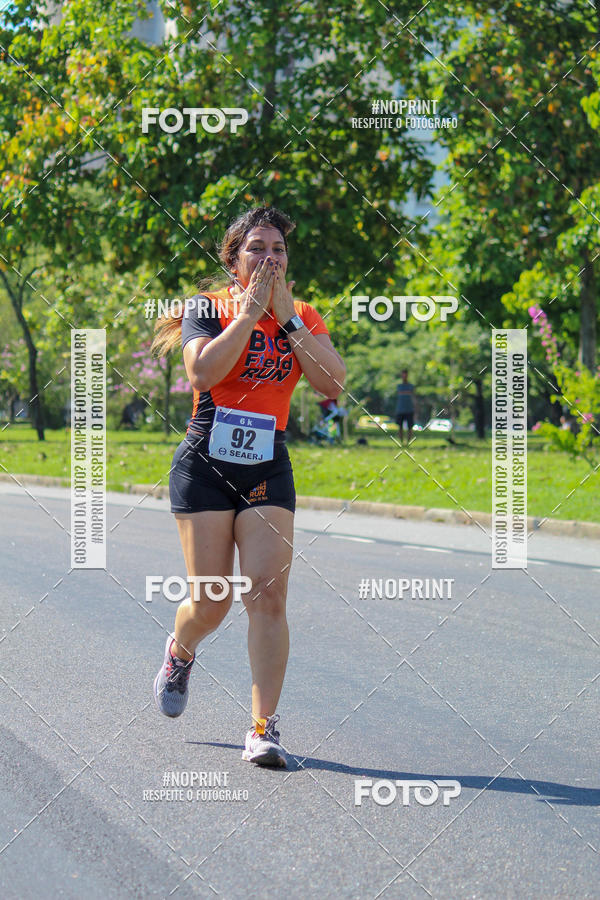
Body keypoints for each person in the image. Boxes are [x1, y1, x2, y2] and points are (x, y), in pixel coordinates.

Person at [150, 206, 346, 767]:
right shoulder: (206, 308)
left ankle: (263, 729)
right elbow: (202, 373)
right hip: (205, 464)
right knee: (213, 600)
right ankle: (181, 650)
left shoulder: (302, 315)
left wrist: (286, 322)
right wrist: (251, 315)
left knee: (268, 594)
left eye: (278, 249)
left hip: (266, 467)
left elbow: (332, 384)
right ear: (233, 259)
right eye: (257, 248)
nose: (269, 257)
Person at [395, 369, 415, 445]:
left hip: (409, 410)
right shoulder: (399, 386)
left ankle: (408, 443)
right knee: (400, 427)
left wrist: (416, 408)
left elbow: (414, 398)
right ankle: (401, 442)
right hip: (400, 410)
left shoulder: (411, 386)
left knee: (410, 428)